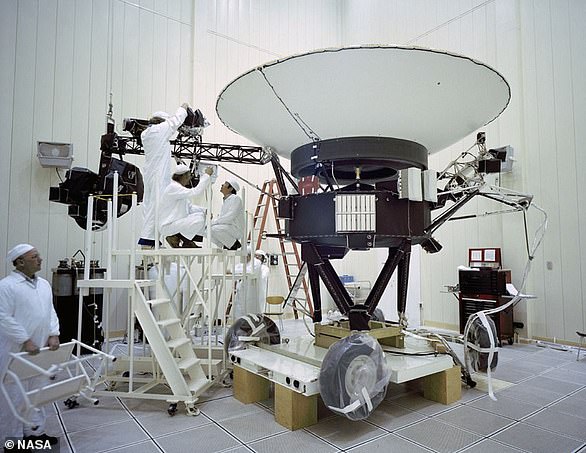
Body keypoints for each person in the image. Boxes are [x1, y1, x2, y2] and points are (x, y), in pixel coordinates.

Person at [0, 244, 60, 447]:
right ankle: (13, 440)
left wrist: (54, 334)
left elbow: (50, 310)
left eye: (38, 255)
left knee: (38, 392)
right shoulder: (7, 286)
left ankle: (36, 433)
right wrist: (24, 339)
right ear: (20, 262)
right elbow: (4, 318)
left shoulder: (43, 284)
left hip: (40, 349)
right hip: (15, 350)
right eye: (34, 257)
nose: (40, 259)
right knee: (14, 395)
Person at [138, 103, 190, 247]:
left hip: (150, 175)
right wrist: (183, 108)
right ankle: (148, 241)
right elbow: (175, 121)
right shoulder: (159, 130)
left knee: (150, 206)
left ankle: (153, 240)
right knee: (156, 205)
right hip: (158, 177)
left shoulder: (146, 134)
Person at [159, 164, 214, 248]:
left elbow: (189, 207)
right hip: (168, 225)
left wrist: (205, 211)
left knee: (200, 216)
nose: (189, 181)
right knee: (199, 219)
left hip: (174, 223)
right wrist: (207, 175)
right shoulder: (173, 187)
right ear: (183, 177)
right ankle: (179, 238)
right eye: (188, 177)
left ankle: (184, 240)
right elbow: (195, 192)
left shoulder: (178, 188)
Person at [209, 178, 244, 250]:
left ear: (231, 188)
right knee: (207, 230)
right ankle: (227, 243)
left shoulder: (236, 199)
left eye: (225, 184)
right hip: (227, 227)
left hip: (235, 228)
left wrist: (214, 222)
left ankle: (233, 244)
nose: (222, 185)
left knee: (213, 229)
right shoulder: (226, 200)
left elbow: (230, 216)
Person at [232, 246, 262, 319]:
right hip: (241, 291)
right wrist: (233, 271)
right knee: (239, 309)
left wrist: (233, 271)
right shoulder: (243, 263)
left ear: (249, 255)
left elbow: (249, 272)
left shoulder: (256, 263)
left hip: (251, 291)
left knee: (250, 311)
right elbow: (235, 269)